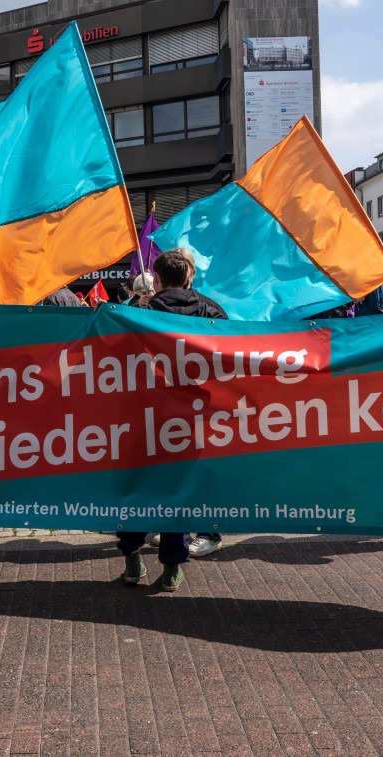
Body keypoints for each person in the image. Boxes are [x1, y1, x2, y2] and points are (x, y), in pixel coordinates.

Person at [117, 249, 226, 588]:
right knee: (179, 493)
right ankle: (171, 569)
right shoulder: (212, 312)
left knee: (136, 489)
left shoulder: (139, 313)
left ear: (158, 280)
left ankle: (133, 561)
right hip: (193, 419)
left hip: (145, 417)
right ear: (190, 278)